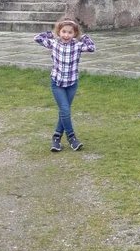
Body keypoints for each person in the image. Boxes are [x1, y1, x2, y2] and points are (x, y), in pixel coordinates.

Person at [34, 19, 96, 152]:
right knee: (65, 110)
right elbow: (37, 38)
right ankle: (72, 138)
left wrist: (83, 37)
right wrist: (52, 34)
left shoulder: (78, 45)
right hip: (57, 83)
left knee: (64, 111)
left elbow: (91, 47)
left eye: (70, 32)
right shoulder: (54, 43)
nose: (66, 35)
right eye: (63, 32)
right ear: (59, 32)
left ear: (74, 34)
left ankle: (56, 139)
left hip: (72, 83)